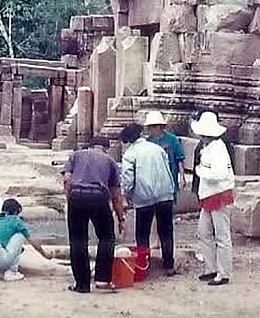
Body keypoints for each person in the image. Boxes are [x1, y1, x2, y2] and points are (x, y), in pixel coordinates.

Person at [63, 136, 125, 294]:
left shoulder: (75, 155)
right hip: (99, 197)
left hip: (77, 196)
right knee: (107, 237)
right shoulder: (110, 162)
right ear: (106, 147)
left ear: (89, 145)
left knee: (77, 240)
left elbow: (67, 179)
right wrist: (120, 218)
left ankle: (82, 284)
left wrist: (70, 199)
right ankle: (102, 279)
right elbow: (116, 195)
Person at [119, 123, 177, 275]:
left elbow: (127, 178)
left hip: (144, 196)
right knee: (166, 230)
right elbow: (167, 167)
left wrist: (126, 195)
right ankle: (169, 264)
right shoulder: (156, 148)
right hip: (165, 194)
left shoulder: (130, 154)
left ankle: (143, 265)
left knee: (142, 233)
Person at [191, 111, 236, 286]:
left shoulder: (218, 148)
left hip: (218, 194)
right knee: (204, 233)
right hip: (209, 195)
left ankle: (223, 272)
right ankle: (211, 268)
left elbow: (219, 173)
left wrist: (200, 171)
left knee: (221, 235)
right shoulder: (207, 147)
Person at [0, 198, 50, 281]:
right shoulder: (15, 220)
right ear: (16, 212)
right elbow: (33, 242)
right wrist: (45, 254)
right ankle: (12, 272)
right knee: (20, 235)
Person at [143, 111, 187, 197]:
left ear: (158, 127)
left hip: (170, 177)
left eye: (151, 127)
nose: (149, 130)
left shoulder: (172, 139)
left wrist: (182, 177)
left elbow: (179, 159)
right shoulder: (148, 141)